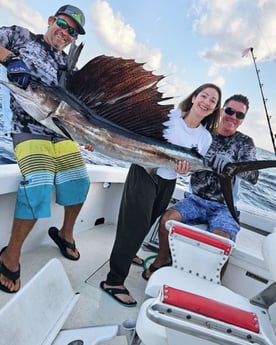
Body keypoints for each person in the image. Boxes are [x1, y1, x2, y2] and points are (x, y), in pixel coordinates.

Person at [100, 83, 222, 306]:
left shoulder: (205, 138)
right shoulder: (170, 116)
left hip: (168, 181)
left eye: (212, 101)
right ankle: (114, 280)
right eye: (204, 96)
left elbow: (191, 166)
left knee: (148, 221)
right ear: (194, 97)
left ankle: (129, 254)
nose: (206, 102)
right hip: (143, 171)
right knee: (134, 226)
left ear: (214, 109)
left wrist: (183, 171)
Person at [0, 5, 90, 293]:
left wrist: (86, 133)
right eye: (62, 24)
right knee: (38, 184)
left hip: (63, 134)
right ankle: (10, 255)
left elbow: (78, 108)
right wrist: (11, 59)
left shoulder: (69, 68)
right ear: (51, 20)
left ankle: (65, 233)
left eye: (71, 32)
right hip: (30, 131)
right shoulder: (21, 37)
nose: (64, 32)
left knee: (80, 181)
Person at [142, 94, 259, 280]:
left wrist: (232, 166)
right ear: (221, 111)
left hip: (224, 208)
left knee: (222, 241)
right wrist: (181, 170)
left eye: (239, 115)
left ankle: (213, 283)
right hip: (195, 200)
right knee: (166, 219)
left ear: (243, 120)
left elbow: (253, 177)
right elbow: (185, 164)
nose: (233, 117)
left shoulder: (245, 143)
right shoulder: (204, 134)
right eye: (229, 111)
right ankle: (162, 259)